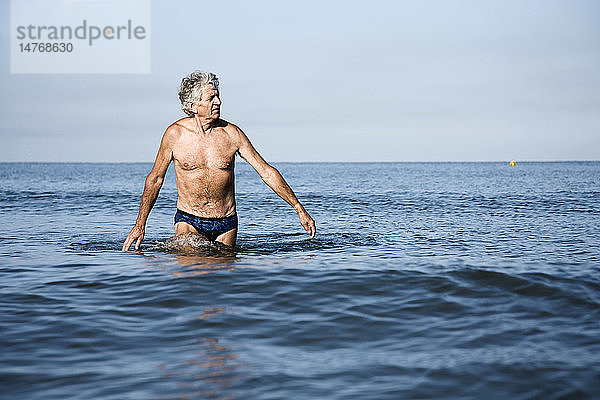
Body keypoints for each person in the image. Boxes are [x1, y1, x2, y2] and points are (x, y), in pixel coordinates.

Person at [122, 71, 316, 251]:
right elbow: (155, 180)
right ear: (192, 106)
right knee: (193, 273)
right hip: (189, 220)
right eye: (211, 98)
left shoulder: (232, 134)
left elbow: (266, 172)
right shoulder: (175, 135)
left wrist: (299, 209)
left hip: (227, 223)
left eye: (218, 96)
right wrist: (140, 225)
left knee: (223, 280)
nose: (219, 102)